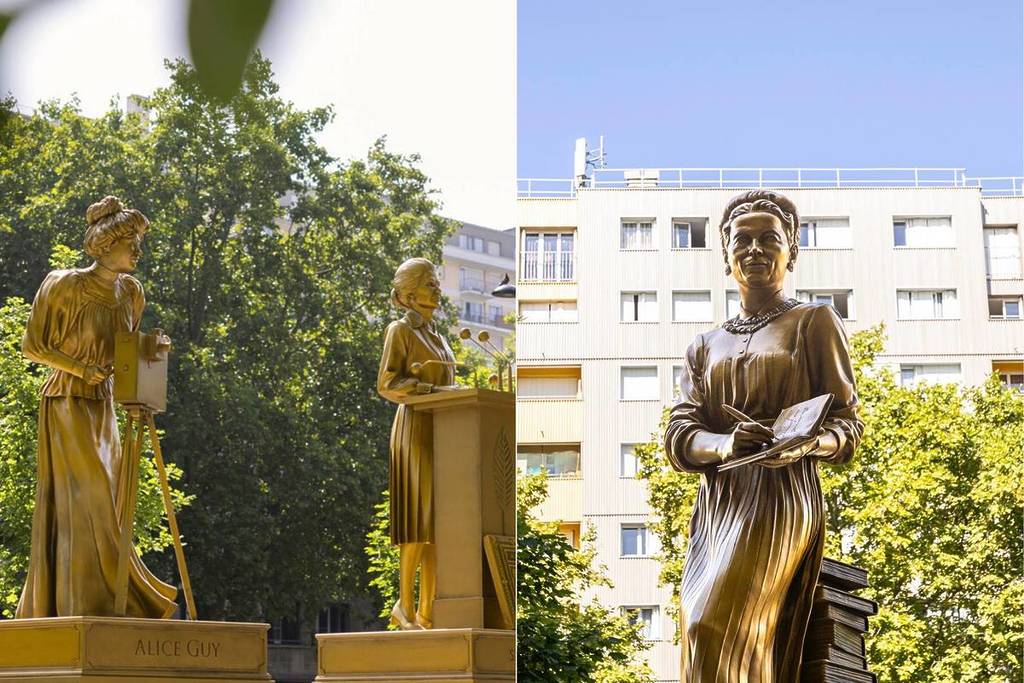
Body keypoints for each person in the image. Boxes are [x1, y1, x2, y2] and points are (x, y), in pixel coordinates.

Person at [664, 190, 863, 681]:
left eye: (769, 239)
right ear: (725, 253)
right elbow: (680, 434)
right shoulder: (703, 345)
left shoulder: (814, 321)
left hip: (780, 495)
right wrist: (725, 444)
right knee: (694, 628)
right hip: (718, 503)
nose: (754, 249)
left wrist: (807, 443)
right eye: (742, 239)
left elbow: (847, 425)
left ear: (790, 251)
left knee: (717, 625)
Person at [17, 195, 177, 618]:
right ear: (107, 245)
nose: (139, 252)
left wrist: (152, 354)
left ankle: (111, 597)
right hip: (67, 400)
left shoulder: (131, 293)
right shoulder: (64, 284)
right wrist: (79, 368)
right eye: (133, 243)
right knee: (82, 501)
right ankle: (80, 602)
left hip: (105, 406)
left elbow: (124, 353)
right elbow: (32, 346)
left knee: (107, 502)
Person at [377, 257, 462, 630]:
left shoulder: (439, 337)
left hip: (445, 432)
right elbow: (387, 384)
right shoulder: (400, 330)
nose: (437, 288)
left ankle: (428, 612)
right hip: (414, 430)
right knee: (416, 522)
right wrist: (427, 390)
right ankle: (404, 605)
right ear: (409, 294)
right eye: (429, 283)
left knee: (437, 530)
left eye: (436, 282)